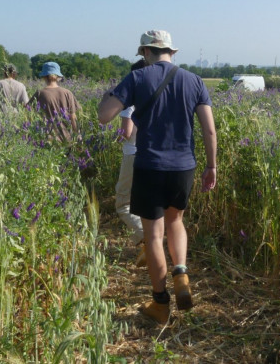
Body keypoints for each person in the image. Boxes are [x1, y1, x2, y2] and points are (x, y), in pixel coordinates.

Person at [98, 30, 217, 324]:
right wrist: (211, 166)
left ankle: (160, 304)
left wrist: (112, 92)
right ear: (172, 53)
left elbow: (104, 115)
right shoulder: (194, 81)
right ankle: (181, 273)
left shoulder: (137, 78)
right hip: (184, 167)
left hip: (150, 165)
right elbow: (208, 129)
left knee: (153, 235)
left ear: (146, 53)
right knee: (176, 220)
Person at [115, 59, 147, 267]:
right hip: (156, 156)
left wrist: (116, 137)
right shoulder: (158, 97)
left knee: (124, 203)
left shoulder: (131, 101)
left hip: (133, 154)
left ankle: (145, 237)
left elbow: (126, 133)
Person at [29, 61, 81, 143]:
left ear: (44, 77)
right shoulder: (67, 93)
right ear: (58, 76)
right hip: (67, 138)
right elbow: (73, 117)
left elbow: (29, 115)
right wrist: (78, 135)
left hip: (47, 139)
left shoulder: (39, 93)